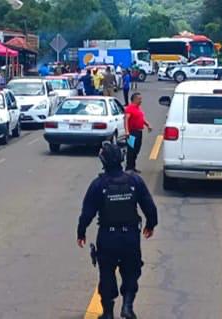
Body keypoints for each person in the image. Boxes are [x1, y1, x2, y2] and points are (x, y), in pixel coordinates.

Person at [77, 141, 158, 319]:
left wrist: (81, 233)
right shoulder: (134, 180)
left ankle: (107, 313)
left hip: (108, 237)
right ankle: (127, 307)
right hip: (130, 236)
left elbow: (87, 213)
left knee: (106, 273)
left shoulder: (98, 184)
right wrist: (150, 225)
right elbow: (149, 206)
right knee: (131, 271)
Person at [125, 93, 152, 173]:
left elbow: (141, 118)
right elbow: (126, 120)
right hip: (132, 133)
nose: (141, 101)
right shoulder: (130, 108)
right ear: (135, 99)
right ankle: (129, 168)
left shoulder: (138, 108)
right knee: (131, 150)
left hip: (139, 132)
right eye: (139, 99)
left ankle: (132, 166)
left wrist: (147, 124)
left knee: (137, 149)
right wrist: (127, 131)